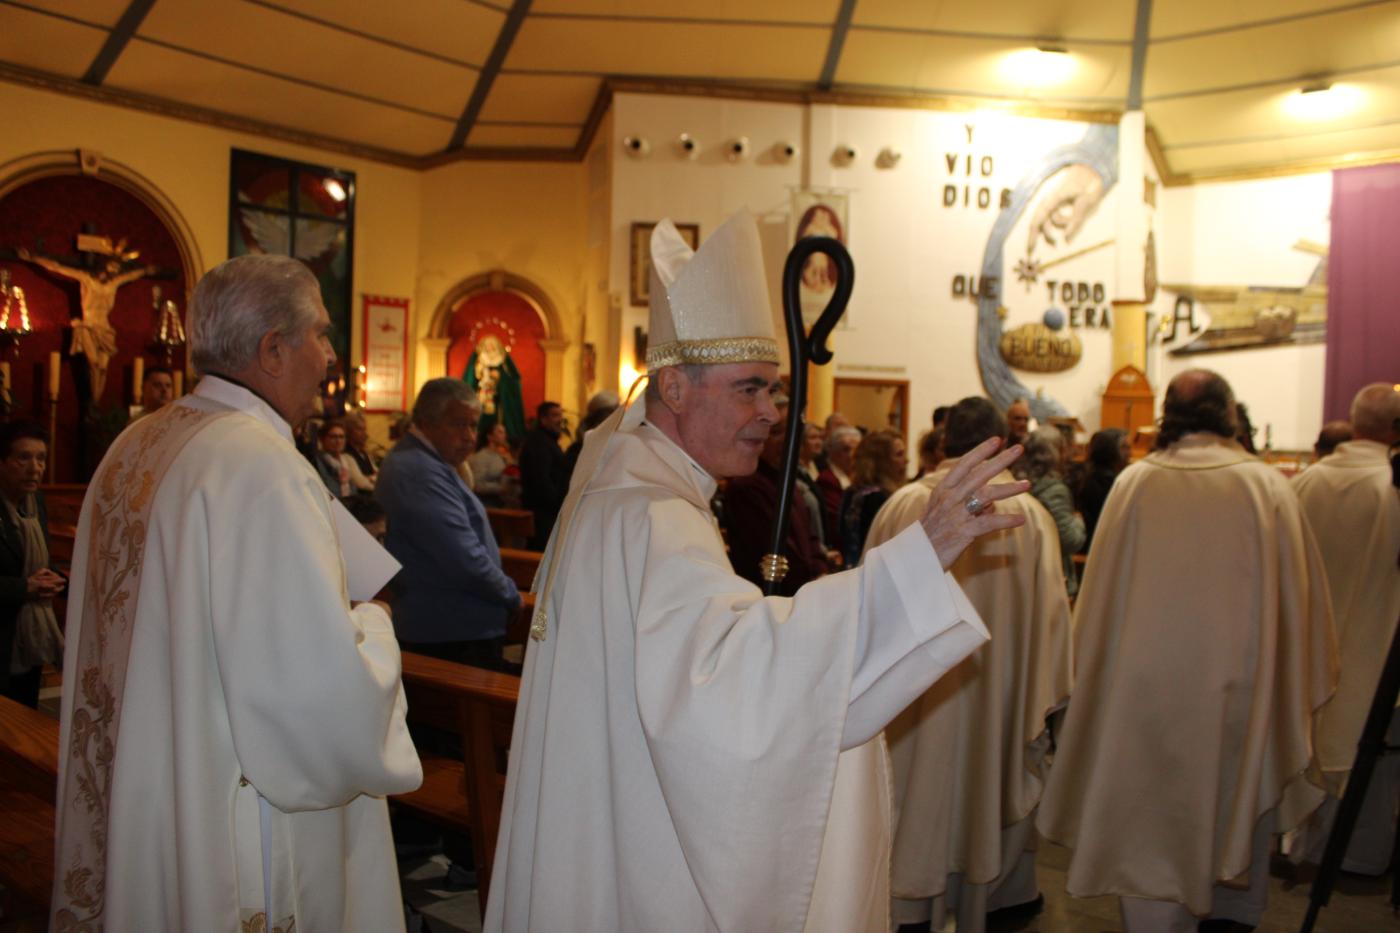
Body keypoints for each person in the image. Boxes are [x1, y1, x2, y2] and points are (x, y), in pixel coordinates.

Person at [487, 212, 1028, 933]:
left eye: (773, 391)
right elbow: (739, 692)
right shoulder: (654, 516)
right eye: (749, 389)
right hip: (644, 848)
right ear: (674, 388)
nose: (772, 412)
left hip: (610, 815)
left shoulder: (624, 486)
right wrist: (916, 559)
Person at [51, 254, 421, 931]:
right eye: (321, 334)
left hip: (148, 776)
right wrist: (374, 624)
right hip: (229, 801)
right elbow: (316, 695)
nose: (330, 357)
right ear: (273, 349)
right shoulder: (259, 465)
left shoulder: (138, 442)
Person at [1036, 369, 1336, 933]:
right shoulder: (1266, 487)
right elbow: (1301, 611)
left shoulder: (1135, 484)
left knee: (1146, 829)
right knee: (1235, 809)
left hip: (1141, 697)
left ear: (1167, 415)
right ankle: (1229, 916)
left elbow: (1097, 610)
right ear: (1230, 413)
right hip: (1239, 696)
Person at [865, 397, 1072, 933]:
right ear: (1003, 443)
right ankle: (987, 900)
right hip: (997, 706)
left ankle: (906, 908)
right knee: (986, 786)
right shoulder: (1030, 517)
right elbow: (1054, 628)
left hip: (912, 707)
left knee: (913, 795)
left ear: (943, 441)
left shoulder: (903, 505)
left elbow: (866, 614)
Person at [1294, 383, 1400, 874]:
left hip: (1307, 647)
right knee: (1368, 760)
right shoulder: (1391, 488)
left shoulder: (1305, 482)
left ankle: (1302, 844)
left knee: (1308, 742)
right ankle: (1359, 858)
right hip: (1374, 649)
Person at [377, 378, 521, 672]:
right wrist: (511, 595)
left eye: (473, 426)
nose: (470, 436)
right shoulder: (418, 469)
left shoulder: (428, 462)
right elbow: (462, 556)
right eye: (459, 425)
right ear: (426, 421)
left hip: (455, 626)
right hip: (450, 633)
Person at [17, 245, 157, 401]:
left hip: (105, 329)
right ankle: (92, 403)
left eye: (117, 268)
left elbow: (131, 276)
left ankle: (96, 402)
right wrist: (33, 258)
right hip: (88, 327)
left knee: (103, 369)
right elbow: (57, 267)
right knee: (94, 364)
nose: (114, 270)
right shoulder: (86, 279)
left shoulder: (114, 283)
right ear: (104, 263)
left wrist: (145, 271)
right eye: (112, 265)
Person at [722, 399, 831, 596]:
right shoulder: (748, 486)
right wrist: (812, 584)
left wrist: (821, 571)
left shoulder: (786, 481)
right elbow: (771, 551)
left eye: (793, 431)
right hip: (772, 595)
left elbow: (810, 538)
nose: (787, 440)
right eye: (777, 431)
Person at [0, 420, 64, 709]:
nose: (35, 468)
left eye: (41, 458)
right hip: (4, 634)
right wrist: (25, 587)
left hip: (31, 636)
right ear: (2, 462)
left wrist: (57, 580)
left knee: (26, 714)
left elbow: (40, 562)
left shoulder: (35, 502)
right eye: (23, 457)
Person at [1015, 427, 1085, 595]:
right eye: (1063, 448)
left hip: (1024, 567)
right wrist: (1078, 521)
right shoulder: (1054, 490)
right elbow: (1070, 540)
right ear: (1055, 453)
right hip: (1050, 574)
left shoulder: (1017, 481)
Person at [838, 429, 908, 568]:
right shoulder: (879, 498)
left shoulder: (852, 491)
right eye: (899, 455)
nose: (906, 460)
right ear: (882, 462)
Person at [518, 400, 567, 549]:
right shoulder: (539, 443)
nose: (560, 420)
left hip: (546, 511)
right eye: (555, 415)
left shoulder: (547, 441)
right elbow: (541, 480)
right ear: (543, 419)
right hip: (542, 513)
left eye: (560, 415)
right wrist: (558, 503)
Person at [1075, 427, 1129, 552]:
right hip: (1100, 544)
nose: (1129, 452)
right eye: (1124, 447)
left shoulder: (1093, 474)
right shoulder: (1104, 481)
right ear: (1110, 450)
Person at [314, 417, 374, 499]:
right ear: (322, 439)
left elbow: (355, 487)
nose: (338, 441)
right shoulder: (317, 462)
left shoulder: (347, 460)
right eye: (333, 437)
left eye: (341, 437)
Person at [468, 421, 520, 508]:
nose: (504, 435)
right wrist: (501, 488)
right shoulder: (482, 457)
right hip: (486, 505)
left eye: (504, 432)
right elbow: (478, 485)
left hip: (499, 503)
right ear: (490, 436)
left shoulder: (500, 456)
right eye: (500, 432)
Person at [343, 411, 379, 481]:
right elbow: (359, 481)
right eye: (359, 429)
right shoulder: (346, 453)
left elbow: (376, 471)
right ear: (349, 431)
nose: (364, 434)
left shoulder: (363, 452)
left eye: (364, 429)